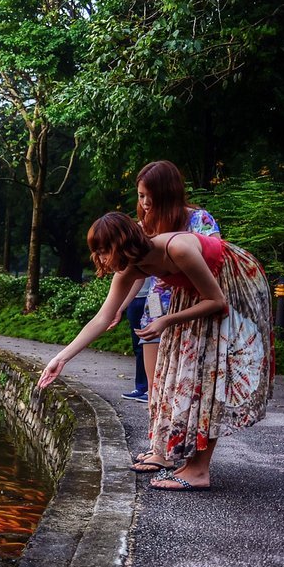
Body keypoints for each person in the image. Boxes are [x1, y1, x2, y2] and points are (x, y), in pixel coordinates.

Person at [40, 211, 272, 492]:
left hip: (231, 282)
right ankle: (187, 460)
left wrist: (166, 320)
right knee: (183, 375)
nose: (99, 259)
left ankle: (199, 470)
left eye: (103, 251)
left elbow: (217, 300)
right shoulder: (132, 269)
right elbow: (102, 318)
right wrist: (60, 359)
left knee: (210, 374)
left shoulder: (177, 248)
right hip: (195, 294)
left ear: (122, 245)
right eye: (96, 252)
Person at [114, 161, 221, 472]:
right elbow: (137, 271)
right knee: (156, 384)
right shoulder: (145, 223)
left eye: (150, 196)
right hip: (156, 309)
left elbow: (214, 260)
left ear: (168, 193)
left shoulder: (198, 219)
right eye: (141, 196)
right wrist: (122, 305)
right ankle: (158, 449)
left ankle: (182, 454)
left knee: (184, 385)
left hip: (191, 309)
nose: (145, 204)